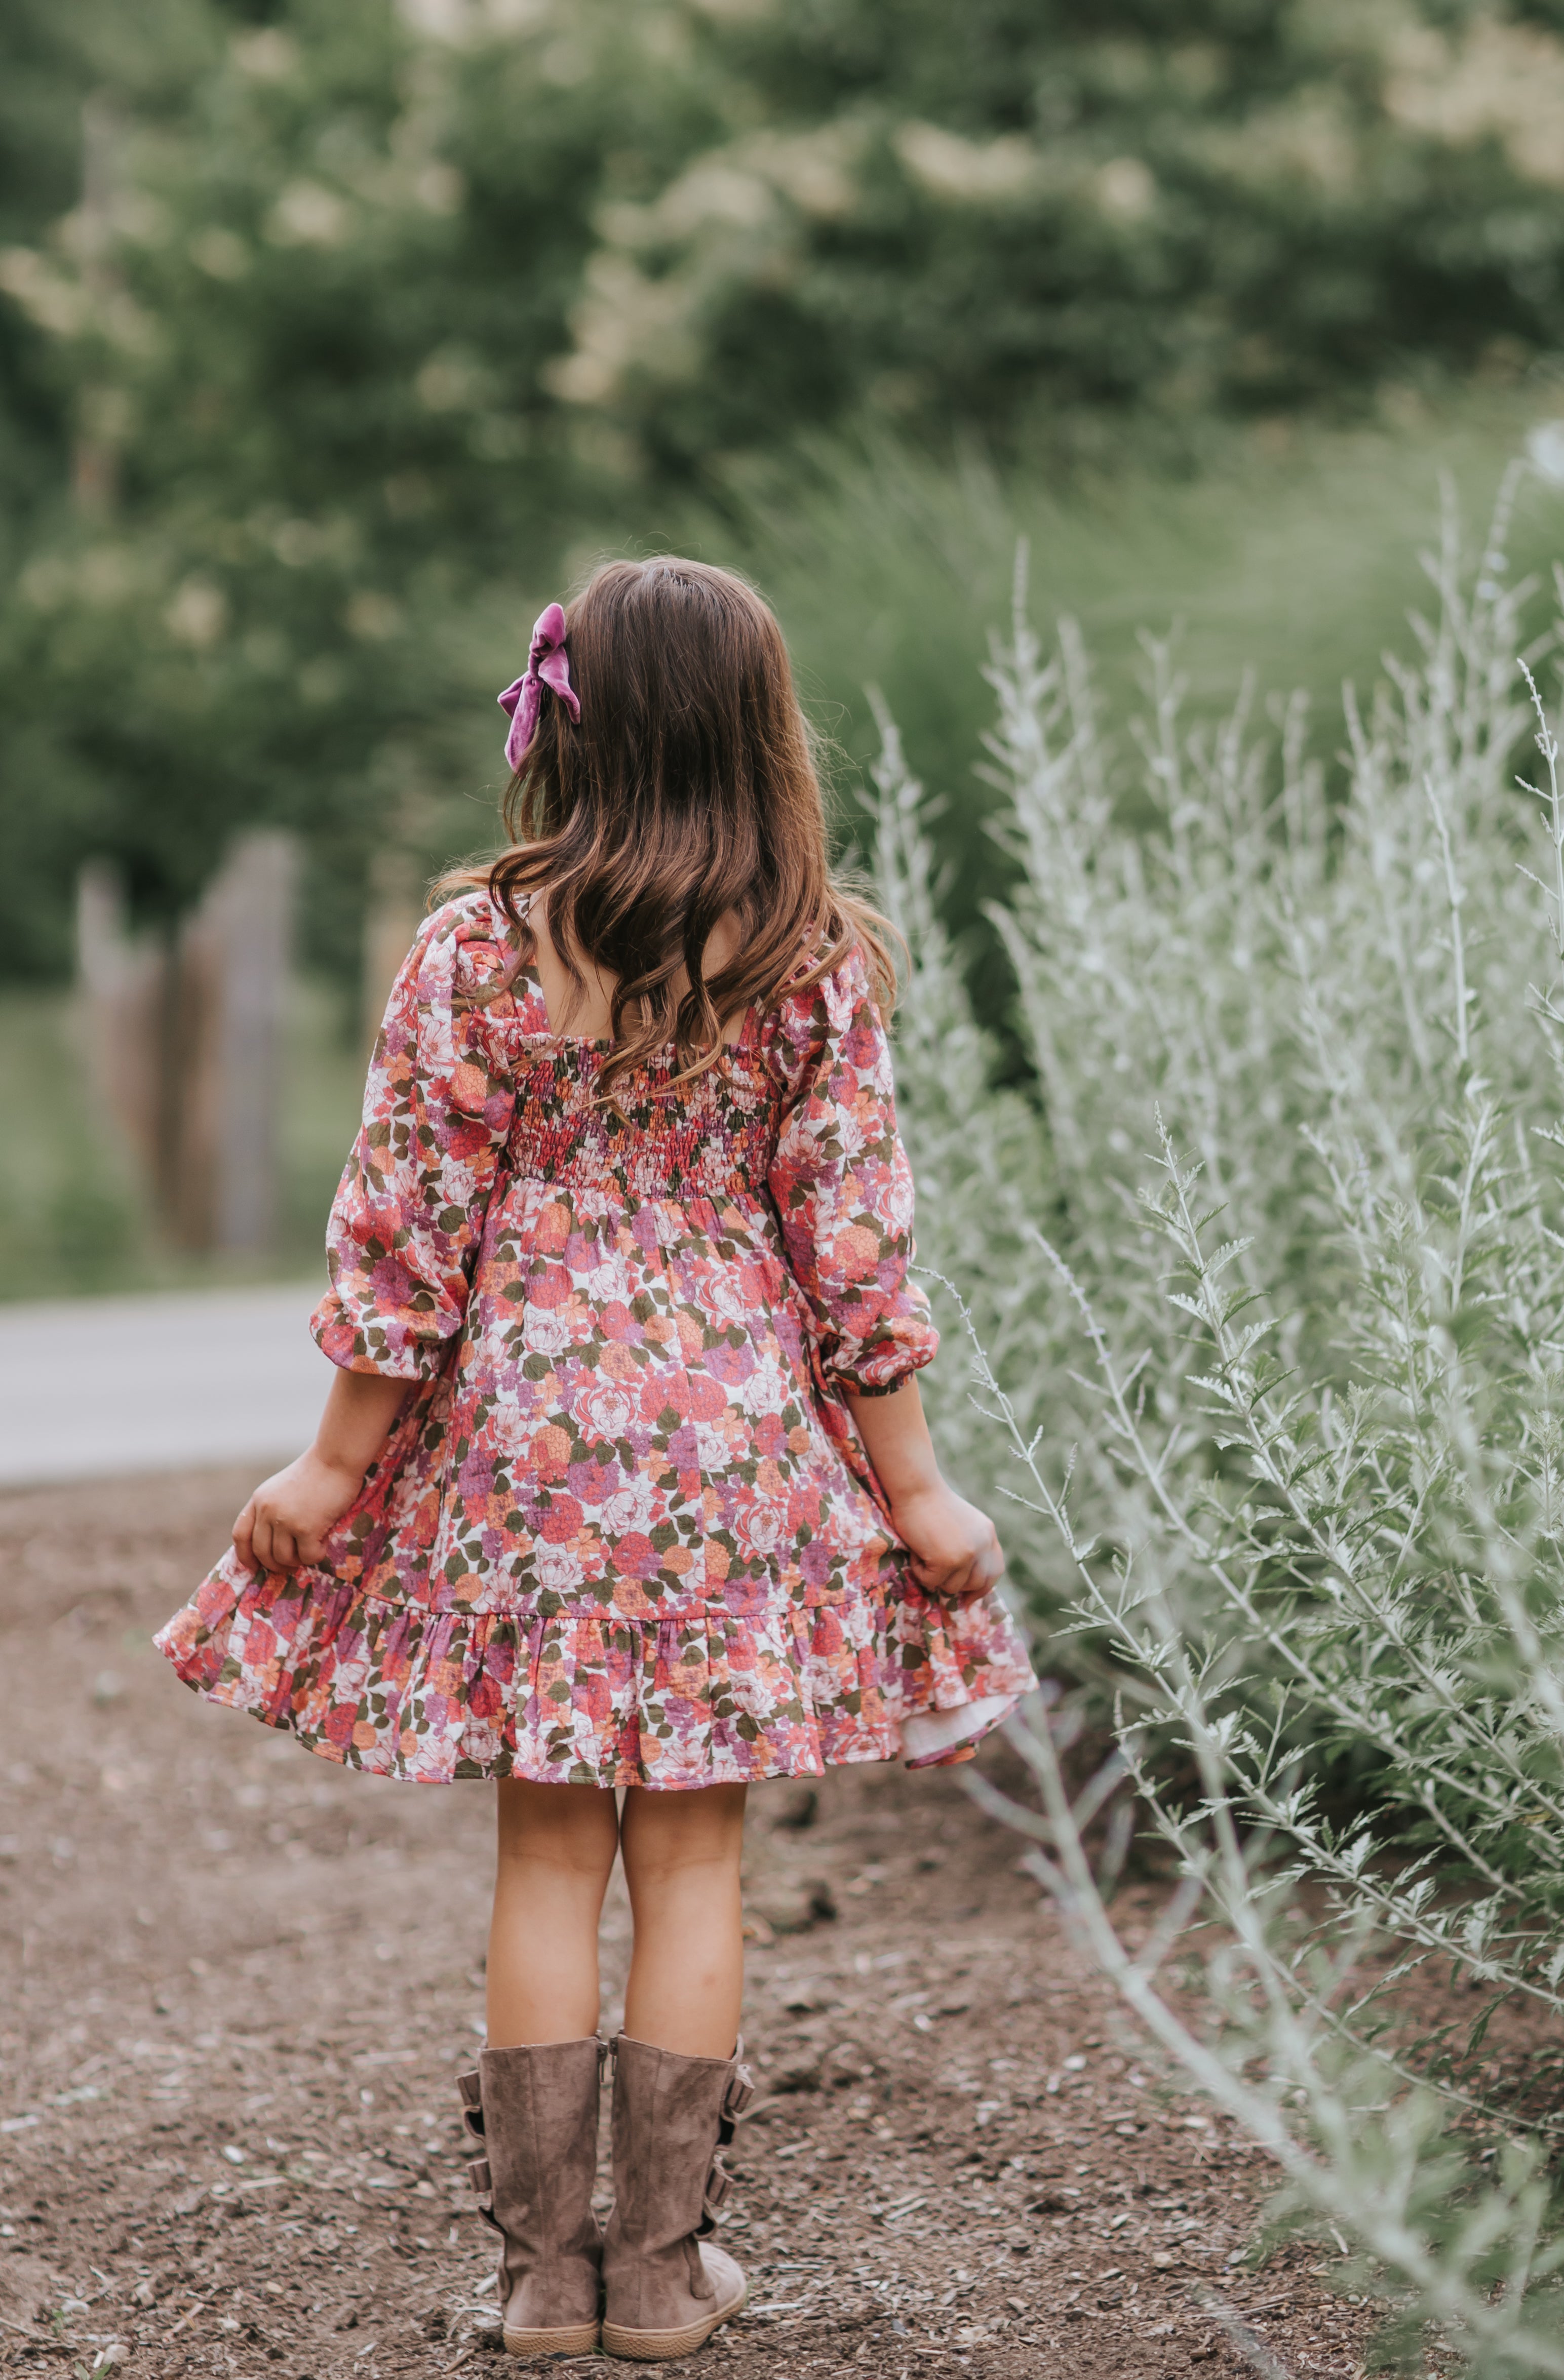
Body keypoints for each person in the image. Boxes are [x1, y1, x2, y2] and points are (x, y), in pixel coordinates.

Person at [155, 559, 1034, 2362]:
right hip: (730, 1445)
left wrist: (331, 1468)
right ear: (755, 729)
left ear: (569, 720)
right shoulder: (812, 957)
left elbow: (406, 1227)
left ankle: (543, 2275)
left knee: (549, 1854)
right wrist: (920, 1487)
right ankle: (662, 2276)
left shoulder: (481, 943)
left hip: (529, 1446)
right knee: (694, 1862)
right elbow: (852, 1251)